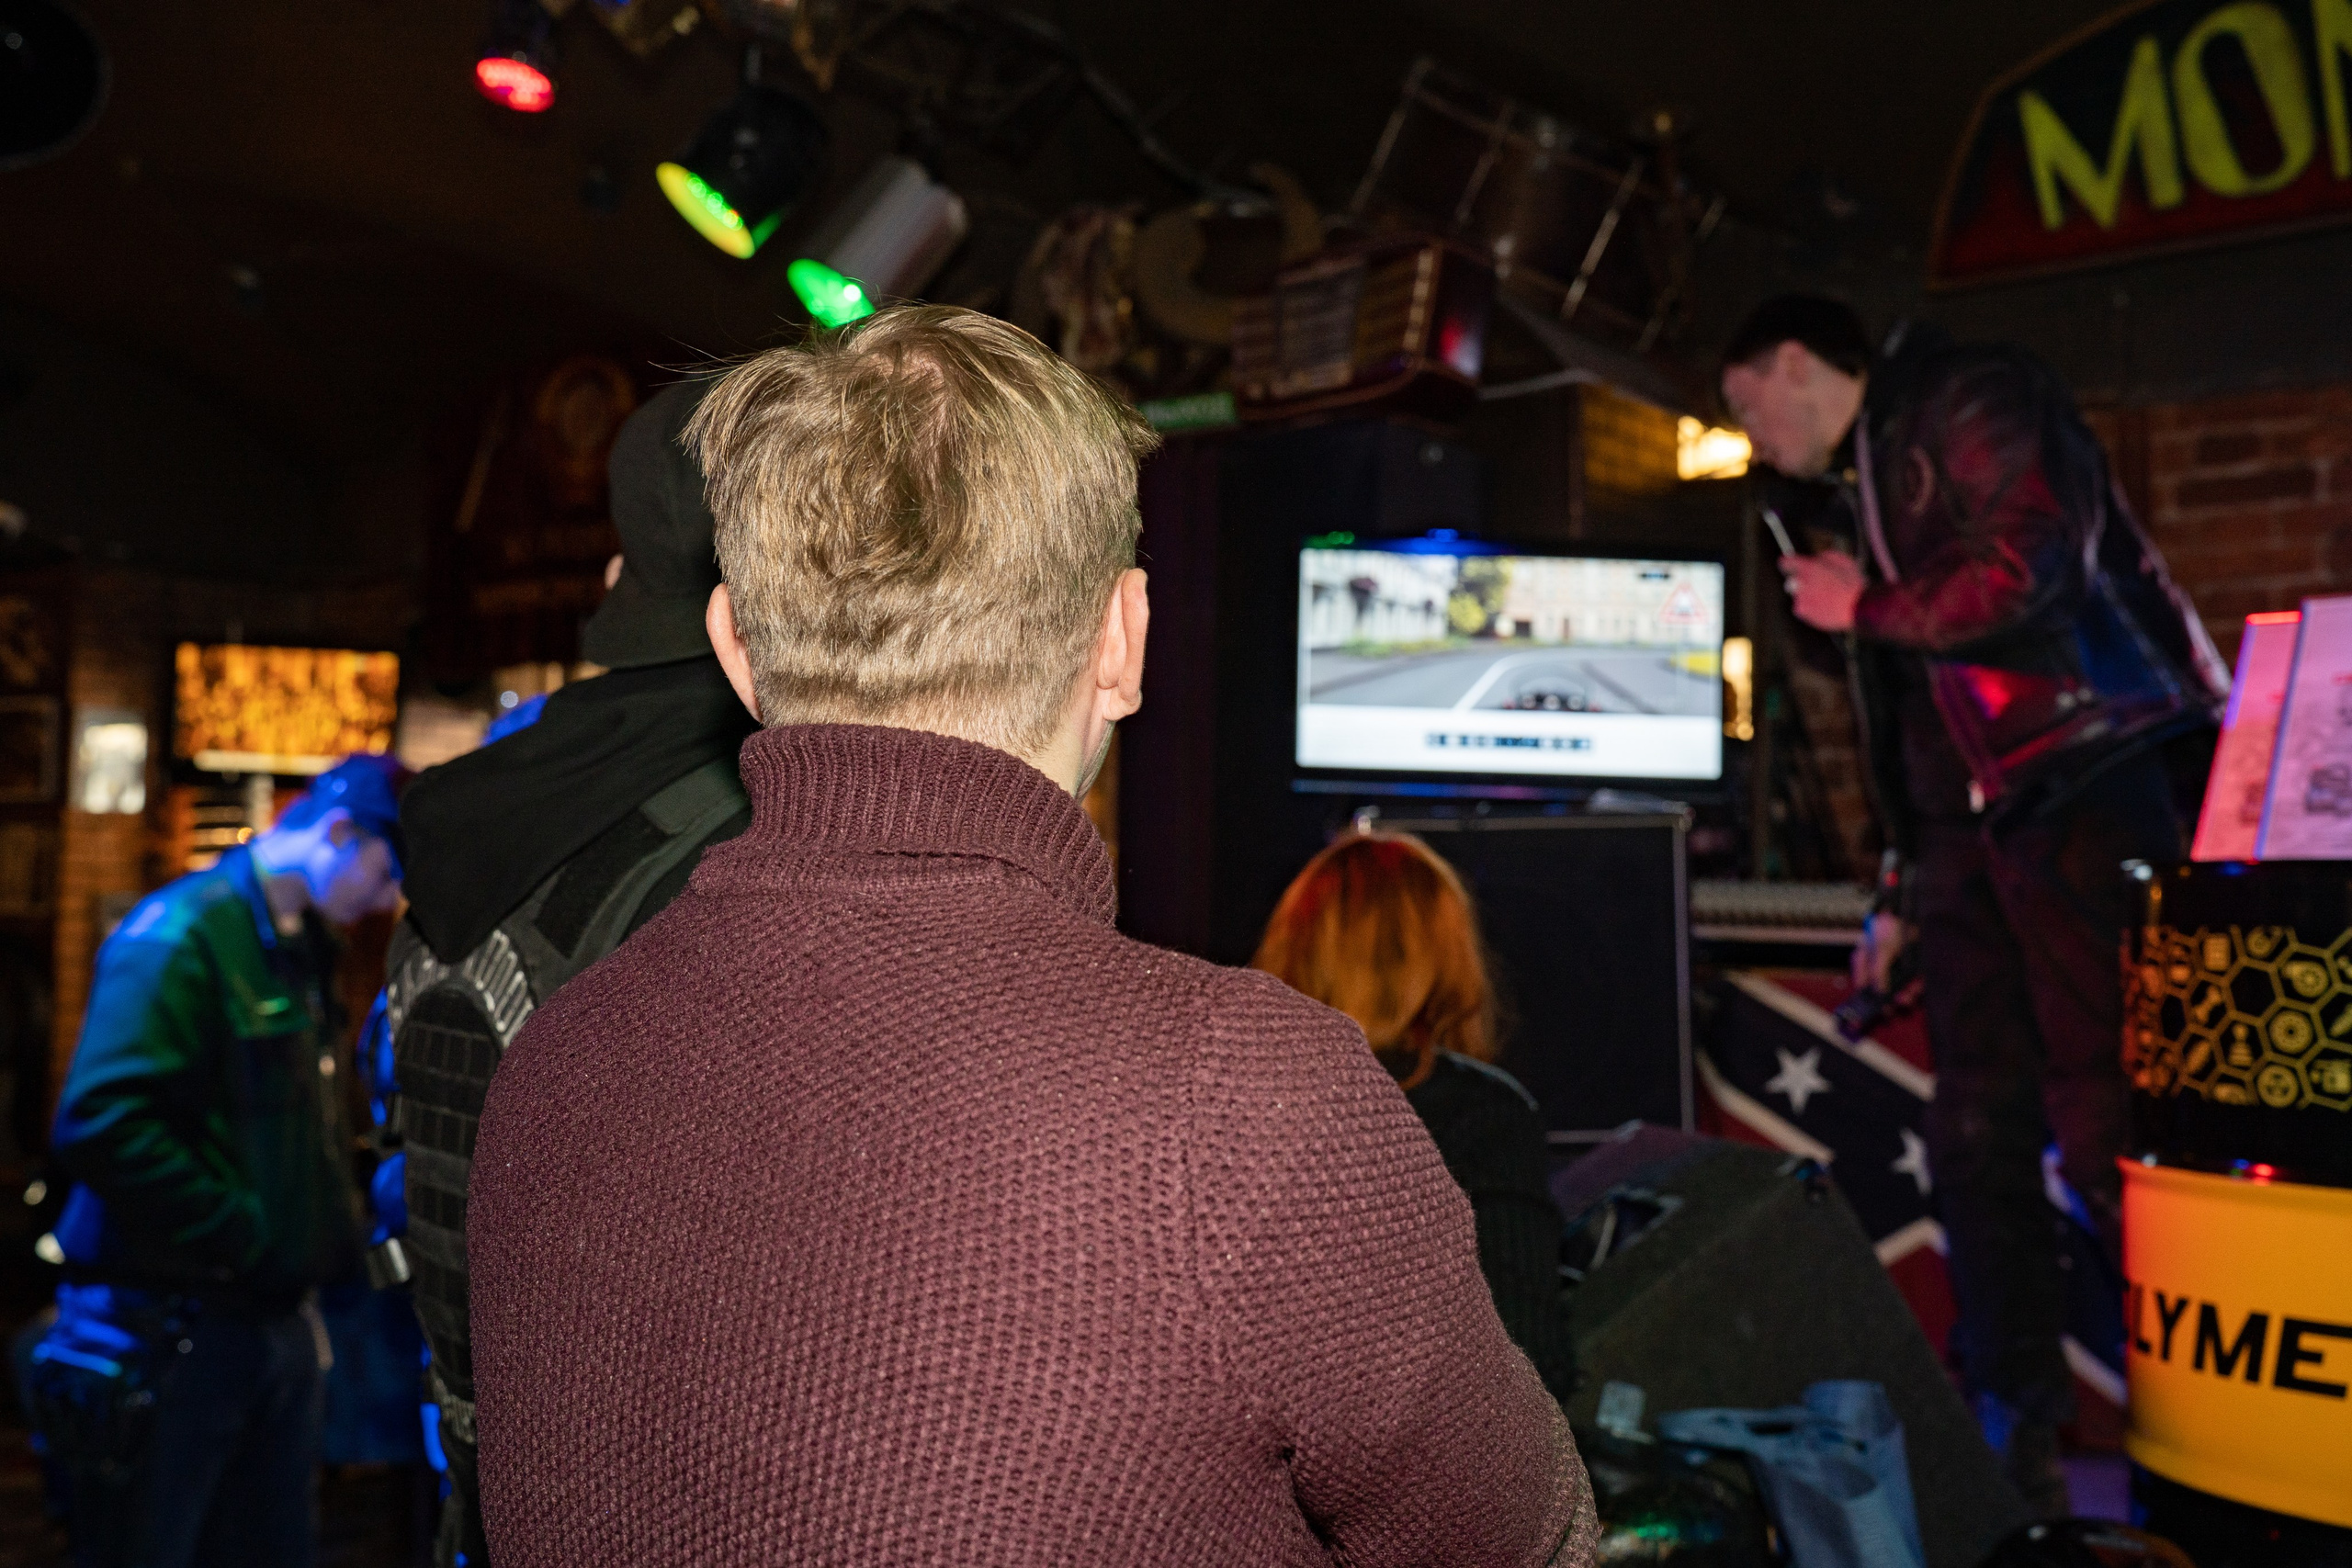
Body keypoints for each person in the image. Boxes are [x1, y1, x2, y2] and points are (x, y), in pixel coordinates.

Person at [465, 306, 1598, 1566]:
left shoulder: (555, 1064)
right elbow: (1528, 1545)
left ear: (736, 645)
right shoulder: (1238, 1098)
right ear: (1124, 637)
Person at [1719, 295, 2226, 1513]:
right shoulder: (1857, 494)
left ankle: (2207, 1421)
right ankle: (2018, 1431)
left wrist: (1865, 605)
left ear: (1795, 363)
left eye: (1744, 404)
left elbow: (2031, 564)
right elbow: (1910, 728)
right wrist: (1898, 881)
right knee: (1977, 1128)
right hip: (1971, 831)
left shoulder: (1966, 393)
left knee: (2111, 1111)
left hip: (2087, 775)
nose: (1747, 434)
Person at [383, 377, 759, 1568]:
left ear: (616, 580)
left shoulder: (473, 820)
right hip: (673, 1506)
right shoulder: (745, 837)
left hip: (486, 1492)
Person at [33, 755, 408, 1568]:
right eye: (386, 874)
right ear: (339, 833)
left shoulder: (302, 946)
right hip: (176, 1327)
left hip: (262, 1323)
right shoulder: (183, 932)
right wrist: (244, 1231)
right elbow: (102, 1118)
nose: (387, 900)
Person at [1252, 829, 1575, 1400]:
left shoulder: (1233, 1095)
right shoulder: (1483, 1114)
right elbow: (1528, 1364)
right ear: (1448, 959)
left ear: (1296, 947)